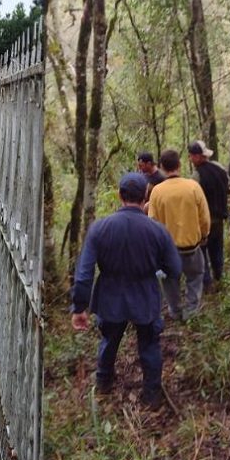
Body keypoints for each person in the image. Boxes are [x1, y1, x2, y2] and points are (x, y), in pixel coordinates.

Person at [71, 172, 181, 410]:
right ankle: (151, 394)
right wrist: (155, 267)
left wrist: (79, 307)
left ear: (120, 196)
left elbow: (84, 273)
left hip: (111, 297)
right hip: (145, 296)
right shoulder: (158, 231)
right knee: (149, 345)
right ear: (145, 196)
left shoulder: (100, 228)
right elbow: (174, 268)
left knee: (109, 340)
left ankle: (103, 382)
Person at [147, 150, 210, 321]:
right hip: (192, 246)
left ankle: (175, 311)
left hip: (168, 249)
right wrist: (204, 235)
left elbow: (152, 223)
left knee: (170, 281)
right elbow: (204, 217)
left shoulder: (157, 192)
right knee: (195, 277)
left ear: (161, 168)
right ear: (179, 166)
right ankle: (191, 312)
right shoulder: (193, 187)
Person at [188, 140, 230, 287]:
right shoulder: (220, 168)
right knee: (217, 249)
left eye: (192, 156)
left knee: (202, 253)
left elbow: (192, 200)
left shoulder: (196, 176)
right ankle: (219, 278)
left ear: (198, 156)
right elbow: (229, 188)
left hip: (204, 221)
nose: (190, 159)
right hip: (220, 218)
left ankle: (207, 284)